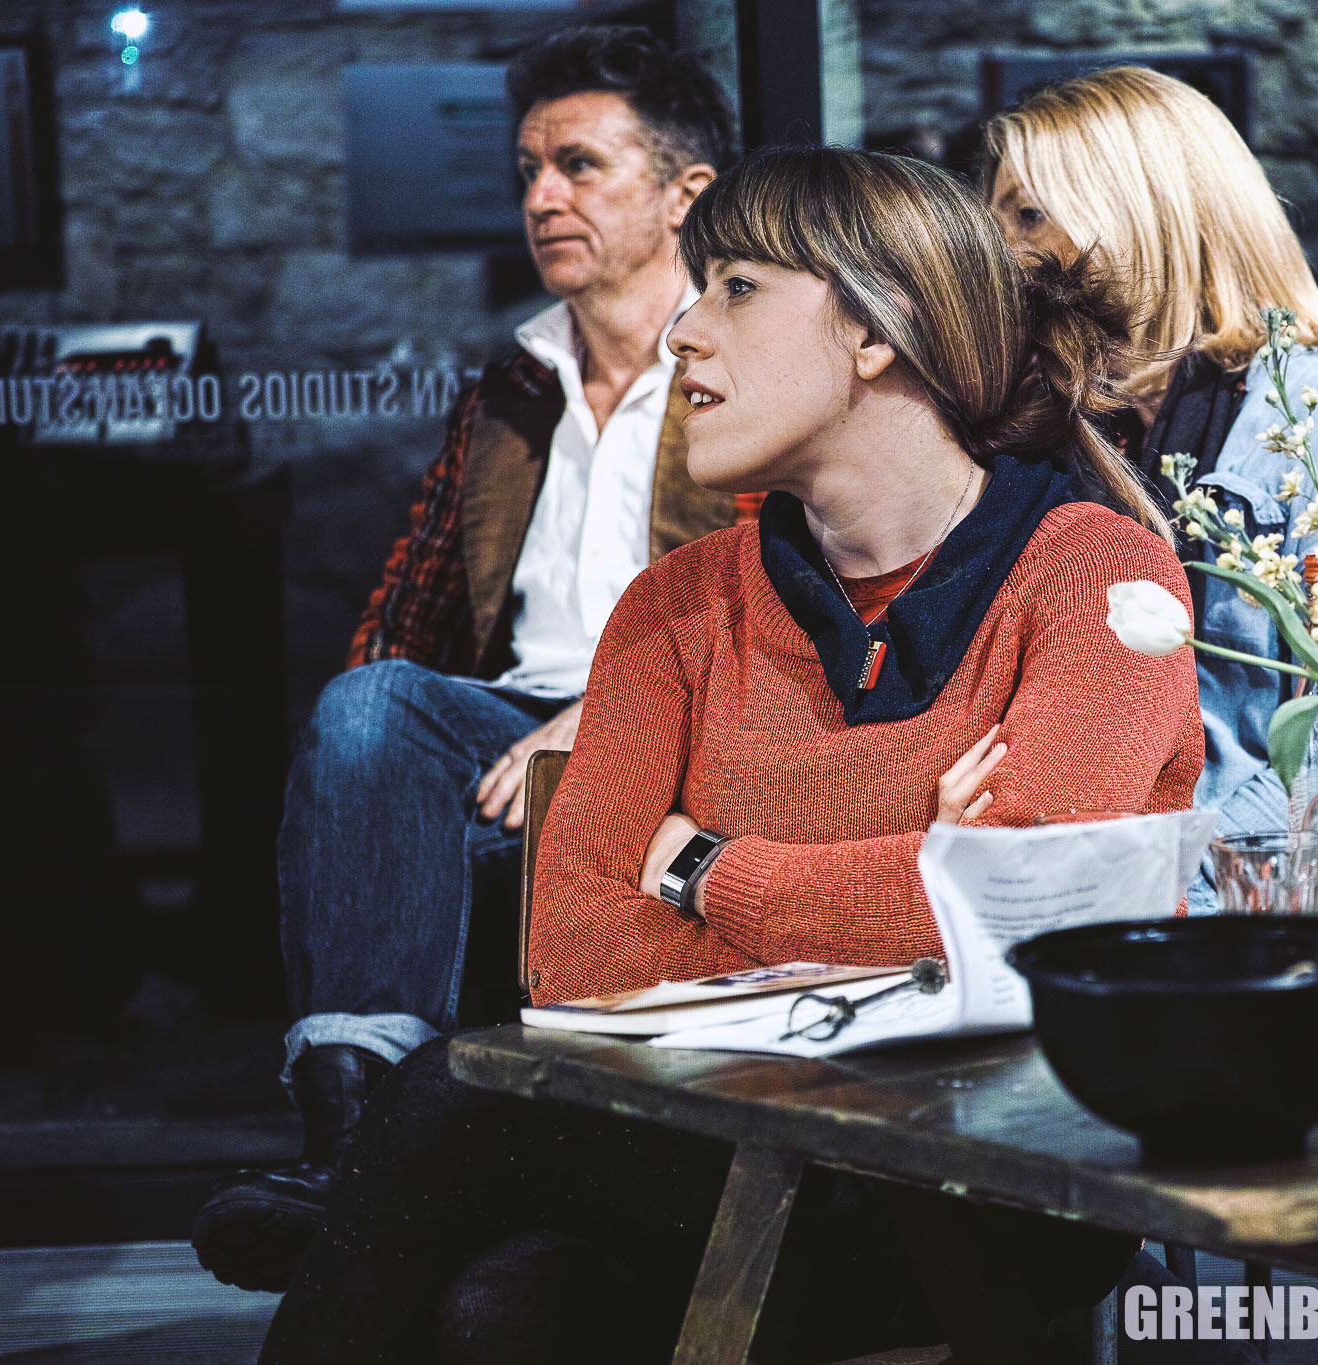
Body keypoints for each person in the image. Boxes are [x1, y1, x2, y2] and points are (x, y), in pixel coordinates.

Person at [255, 145, 1204, 1361]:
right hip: (720, 1153)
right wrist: (917, 876)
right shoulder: (675, 605)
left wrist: (706, 869)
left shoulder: (1095, 573)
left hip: (993, 1171)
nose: (682, 336)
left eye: (737, 287)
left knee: (453, 1099)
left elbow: (1020, 918)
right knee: (499, 1309)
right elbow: (576, 952)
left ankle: (344, 1211)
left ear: (875, 331)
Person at [191, 27, 746, 1293]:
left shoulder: (742, 364)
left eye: (580, 165)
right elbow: (411, 614)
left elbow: (782, 598)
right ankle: (350, 1140)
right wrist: (361, 757)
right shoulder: (512, 379)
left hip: (677, 723)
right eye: (528, 167)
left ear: (683, 193)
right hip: (496, 722)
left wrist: (606, 717)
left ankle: (361, 1179)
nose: (541, 195)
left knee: (390, 719)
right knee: (370, 701)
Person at [980, 65, 1318, 907]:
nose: (999, 246)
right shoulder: (1045, 433)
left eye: (1028, 213)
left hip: (1247, 909)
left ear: (1141, 212)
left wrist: (1181, 877)